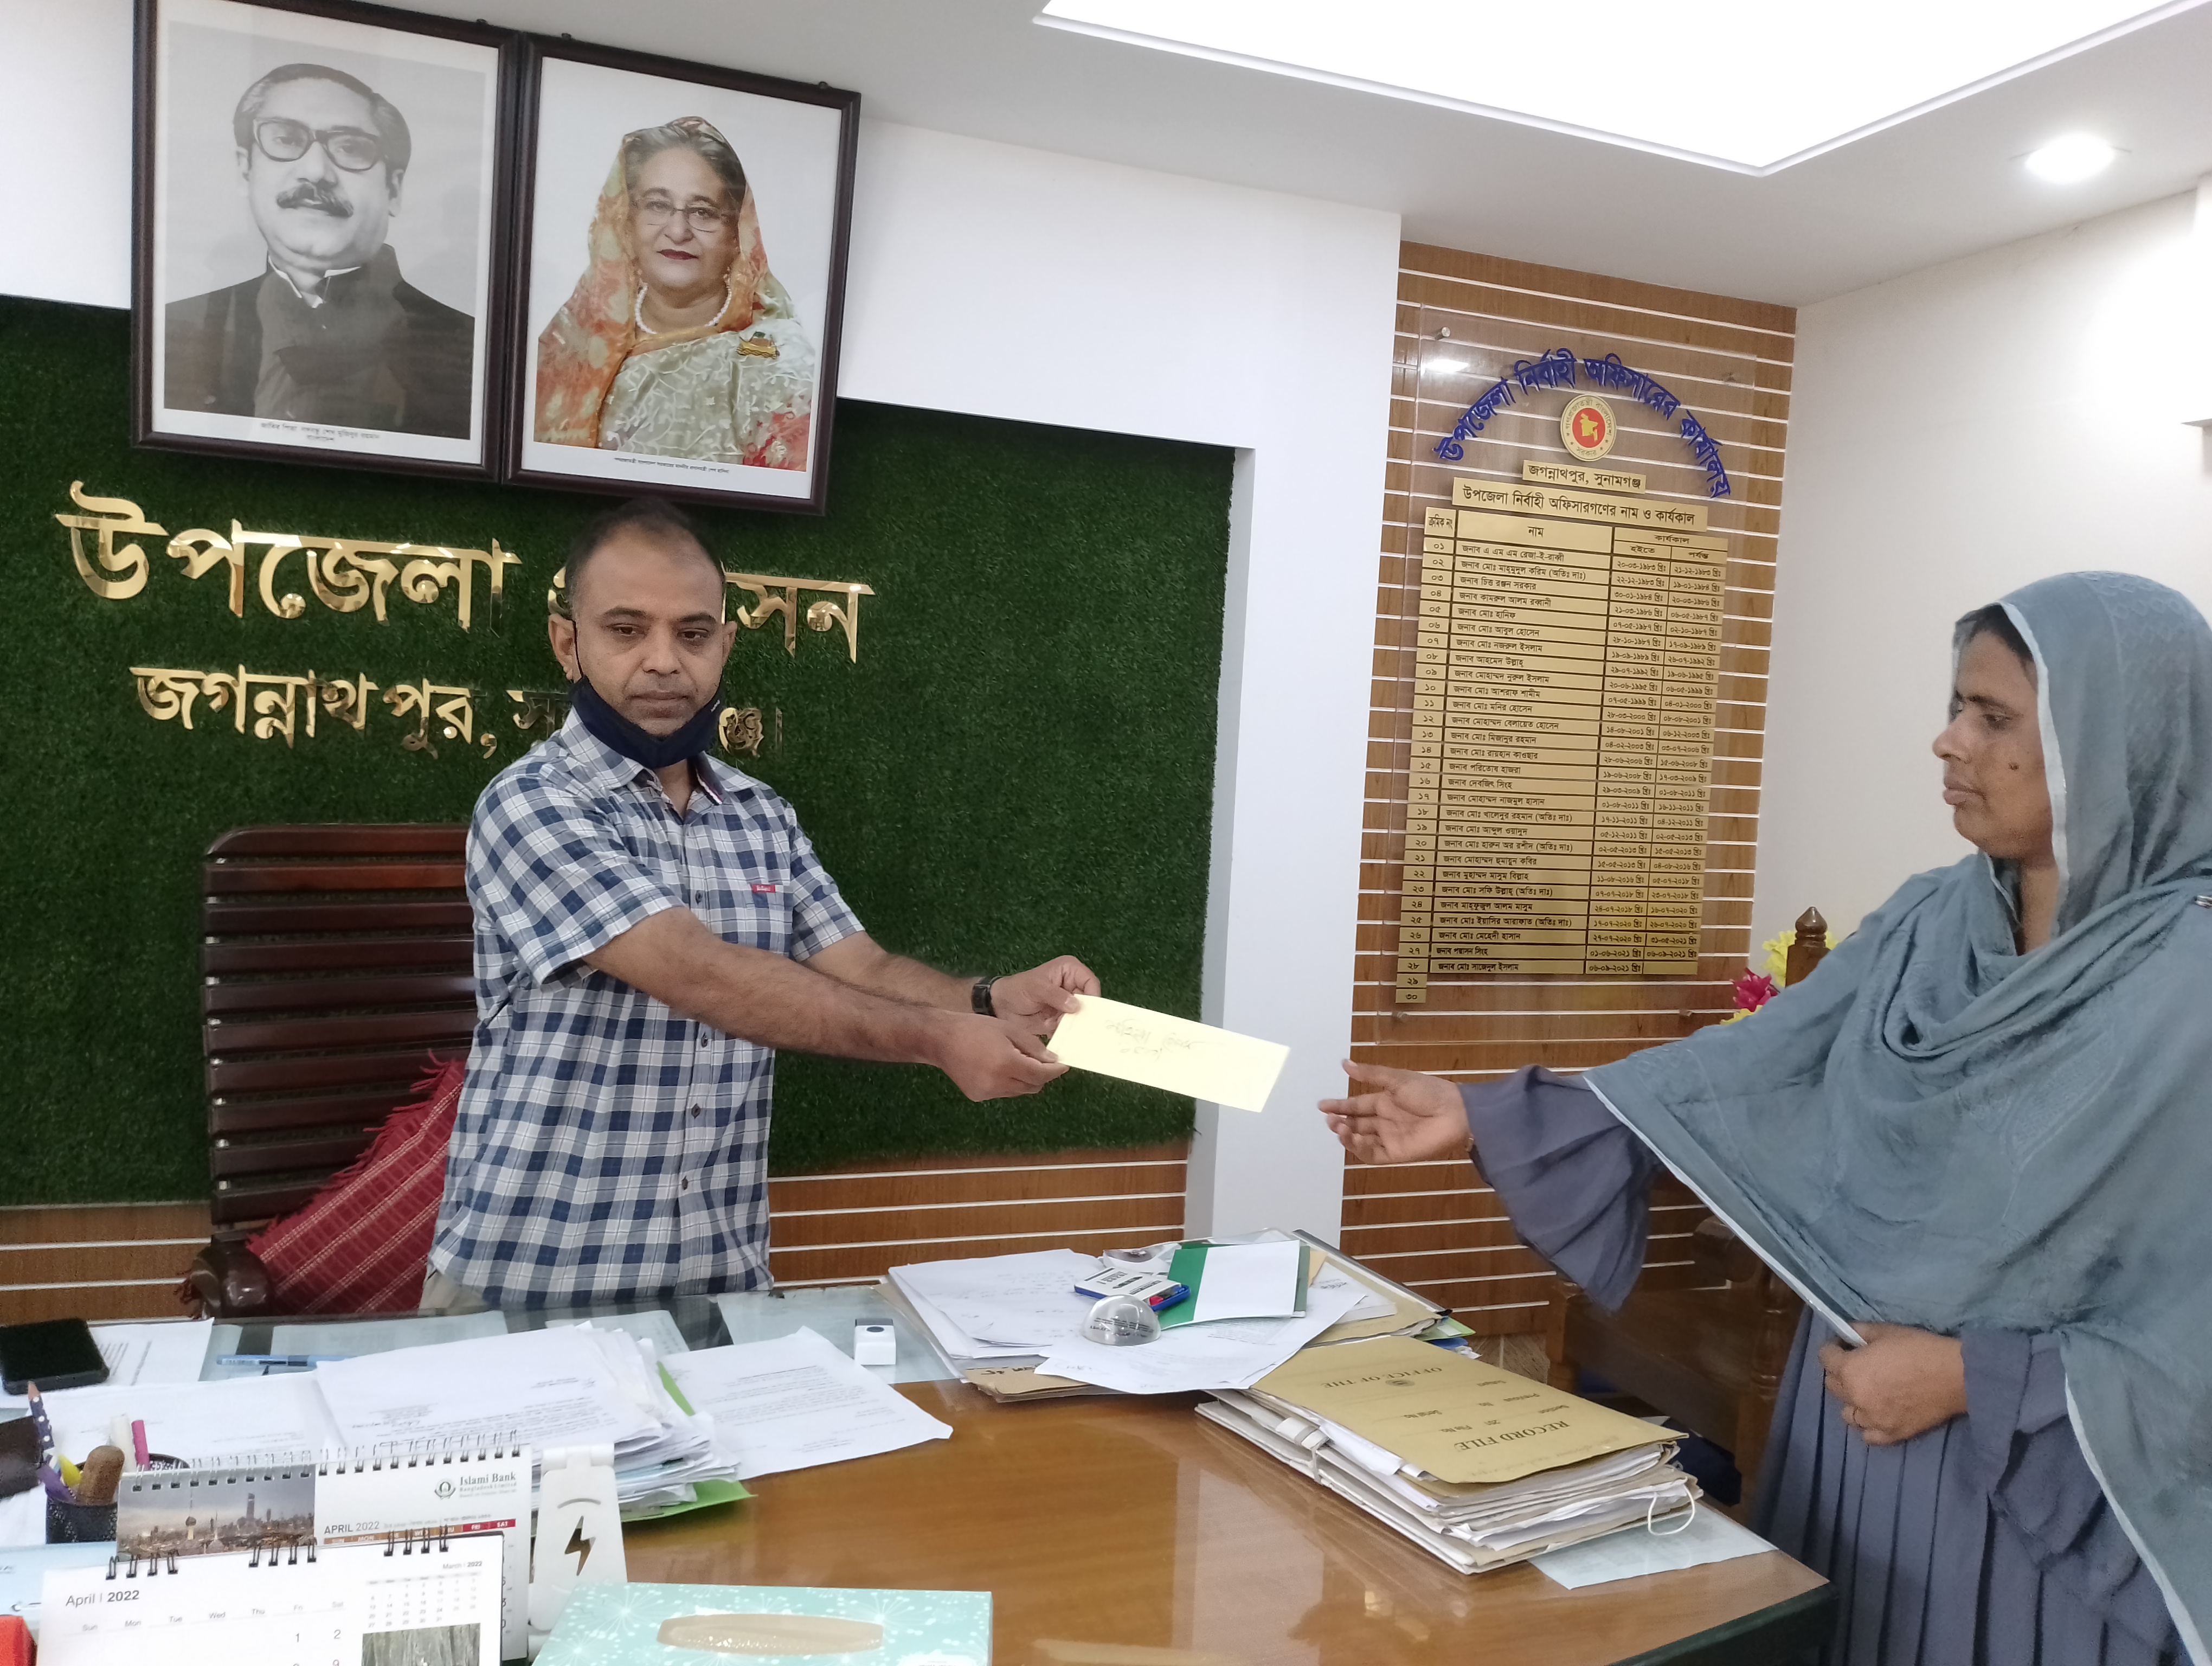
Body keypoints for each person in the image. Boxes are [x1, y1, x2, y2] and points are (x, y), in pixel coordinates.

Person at [1321, 572, 2211, 1664]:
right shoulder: (1934, 919)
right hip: (1852, 1425)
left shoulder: (2192, 980)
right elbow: (1742, 1069)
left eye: (1993, 717)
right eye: (1956, 706)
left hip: (2052, 1475)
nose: (1948, 741)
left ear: (2115, 741)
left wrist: (1969, 1379)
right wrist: (1481, 1113)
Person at [428, 497, 1097, 1308]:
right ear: (568, 643)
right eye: (627, 630)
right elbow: (699, 974)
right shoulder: (531, 803)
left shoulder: (760, 813)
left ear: (725, 645)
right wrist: (937, 1039)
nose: (664, 662)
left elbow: (860, 966)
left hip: (721, 1281)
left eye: (693, 634)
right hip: (533, 1281)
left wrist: (988, 999)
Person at [164, 63, 474, 437]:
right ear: (245, 170)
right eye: (285, 139)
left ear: (393, 190)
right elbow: (302, 365)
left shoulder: (427, 314)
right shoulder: (259, 295)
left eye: (351, 148)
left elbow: (433, 401)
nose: (315, 172)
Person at [532, 117, 814, 470]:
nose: (678, 231)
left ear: (737, 235)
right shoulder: (575, 337)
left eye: (703, 212)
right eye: (657, 205)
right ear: (625, 223)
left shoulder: (774, 358)